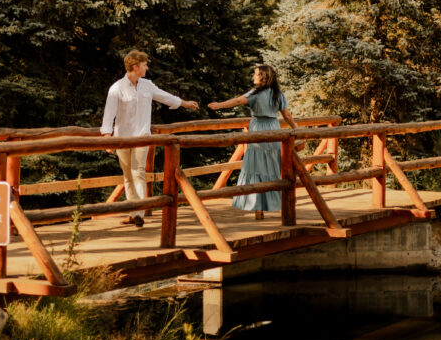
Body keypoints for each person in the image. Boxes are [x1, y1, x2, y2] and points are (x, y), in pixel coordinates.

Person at [101, 49, 199, 227]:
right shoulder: (117, 88)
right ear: (135, 66)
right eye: (145, 65)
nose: (147, 67)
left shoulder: (147, 85)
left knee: (138, 172)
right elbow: (109, 113)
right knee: (128, 176)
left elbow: (165, 97)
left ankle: (138, 211)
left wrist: (185, 103)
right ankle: (133, 213)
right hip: (122, 138)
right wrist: (107, 136)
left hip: (142, 136)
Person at [208, 64, 296, 220]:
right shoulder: (278, 94)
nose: (253, 77)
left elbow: (236, 101)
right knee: (273, 165)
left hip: (258, 129)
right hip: (274, 129)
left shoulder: (255, 93)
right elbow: (287, 116)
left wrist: (218, 105)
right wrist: (296, 129)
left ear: (263, 77)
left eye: (255, 74)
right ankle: (275, 205)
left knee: (256, 165)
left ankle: (257, 208)